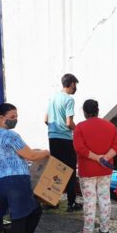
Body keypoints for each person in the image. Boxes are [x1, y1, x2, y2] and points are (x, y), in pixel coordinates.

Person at [0, 103, 50, 233]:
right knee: (20, 219)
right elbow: (31, 156)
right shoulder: (10, 135)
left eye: (16, 117)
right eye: (12, 117)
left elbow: (20, 153)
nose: (15, 120)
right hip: (15, 182)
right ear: (2, 118)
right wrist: (47, 152)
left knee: (34, 211)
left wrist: (32, 152)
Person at [73, 99, 117, 233]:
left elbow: (79, 148)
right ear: (97, 110)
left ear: (84, 112)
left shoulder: (80, 127)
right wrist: (105, 158)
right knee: (105, 198)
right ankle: (105, 229)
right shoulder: (110, 126)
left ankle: (88, 230)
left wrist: (96, 157)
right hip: (105, 169)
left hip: (87, 170)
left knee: (89, 200)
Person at [44, 73, 82, 212]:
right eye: (75, 85)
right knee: (70, 171)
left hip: (52, 138)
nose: (75, 88)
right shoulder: (69, 100)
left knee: (55, 169)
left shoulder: (52, 97)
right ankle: (72, 203)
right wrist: (79, 130)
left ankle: (50, 201)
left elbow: (46, 120)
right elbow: (69, 123)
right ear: (71, 84)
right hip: (65, 139)